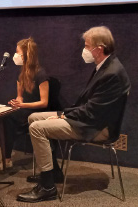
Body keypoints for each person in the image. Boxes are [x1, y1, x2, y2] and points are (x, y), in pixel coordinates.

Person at [17, 26, 131, 203]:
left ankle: (47, 187)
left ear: (98, 49)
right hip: (91, 119)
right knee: (33, 118)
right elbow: (89, 106)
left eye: (87, 46)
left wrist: (64, 116)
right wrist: (64, 114)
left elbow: (93, 112)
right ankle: (53, 171)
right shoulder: (105, 66)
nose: (84, 50)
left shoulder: (112, 73)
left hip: (98, 128)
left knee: (37, 128)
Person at [0, 37, 49, 172]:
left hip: (35, 112)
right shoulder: (21, 73)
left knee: (8, 119)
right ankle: (3, 157)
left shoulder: (41, 74)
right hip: (22, 110)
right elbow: (20, 96)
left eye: (17, 52)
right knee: (5, 116)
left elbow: (44, 102)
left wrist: (22, 106)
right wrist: (17, 102)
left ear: (26, 55)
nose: (15, 55)